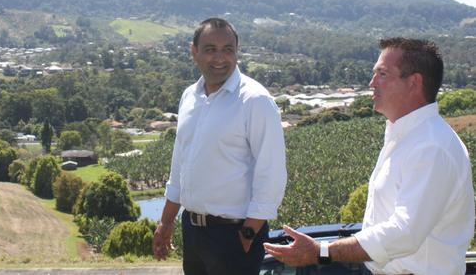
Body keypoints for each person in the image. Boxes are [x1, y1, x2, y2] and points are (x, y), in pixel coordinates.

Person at [264, 38, 475, 275]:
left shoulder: (432, 147)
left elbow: (404, 233)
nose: (372, 82)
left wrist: (322, 251)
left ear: (414, 82)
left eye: (382, 74)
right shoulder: (409, 138)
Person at [153, 18, 287, 275]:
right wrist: (166, 222)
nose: (220, 58)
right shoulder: (189, 97)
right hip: (193, 232)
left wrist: (248, 233)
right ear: (194, 51)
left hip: (235, 235)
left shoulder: (255, 100)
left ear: (237, 53)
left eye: (228, 49)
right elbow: (180, 164)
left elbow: (271, 173)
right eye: (210, 49)